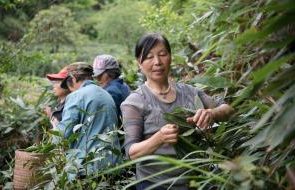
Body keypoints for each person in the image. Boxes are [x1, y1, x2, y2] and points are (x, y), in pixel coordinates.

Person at [121, 33, 234, 189]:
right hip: (154, 185)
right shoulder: (135, 102)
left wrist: (212, 113)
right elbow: (131, 153)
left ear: (170, 57)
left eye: (162, 54)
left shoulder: (189, 92)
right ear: (139, 63)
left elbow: (228, 109)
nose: (157, 62)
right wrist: (159, 138)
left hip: (194, 182)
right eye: (149, 57)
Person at [52, 62, 121, 177]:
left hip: (87, 167)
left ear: (73, 78)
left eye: (68, 84)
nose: (69, 89)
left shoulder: (76, 96)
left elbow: (62, 135)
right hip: (113, 163)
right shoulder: (106, 94)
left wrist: (55, 127)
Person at [92, 54, 130, 121]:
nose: (97, 79)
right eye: (96, 76)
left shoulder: (111, 91)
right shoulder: (122, 84)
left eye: (100, 75)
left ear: (111, 73)